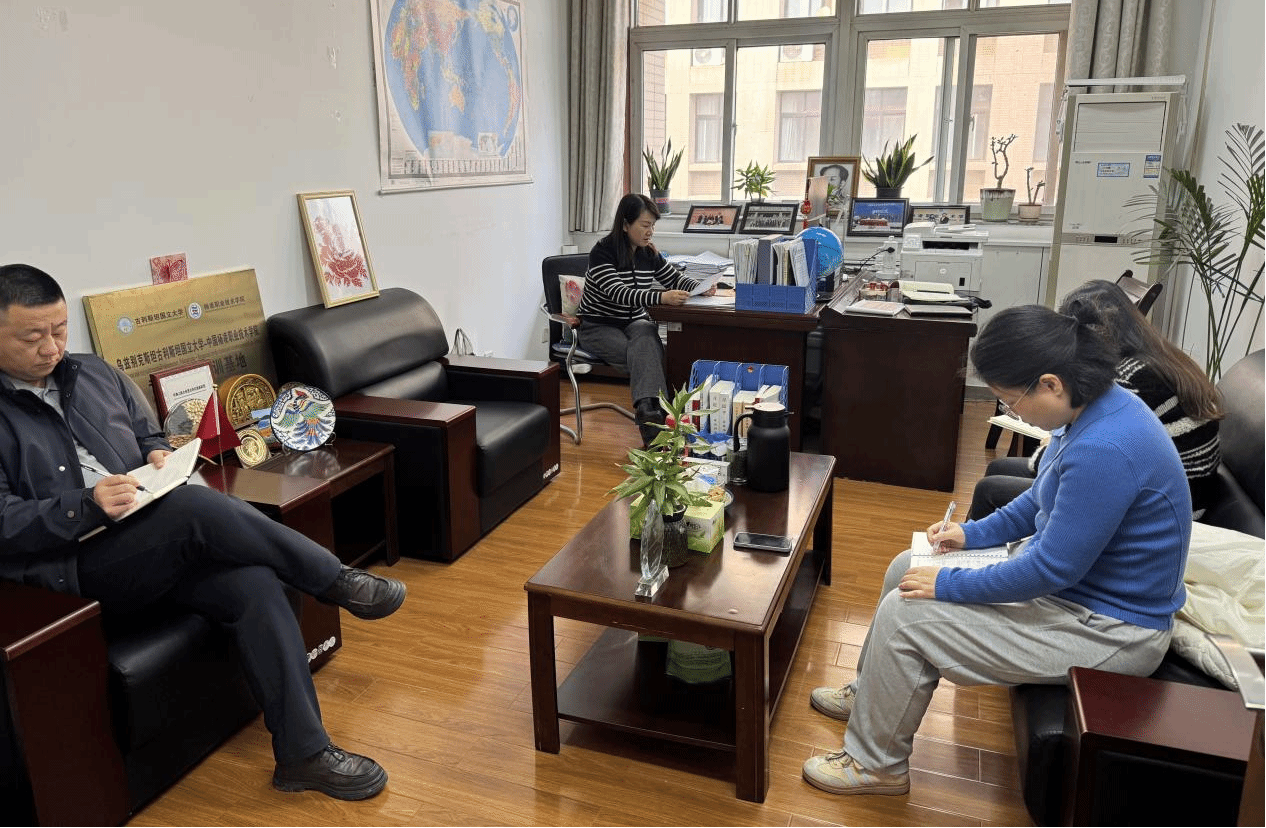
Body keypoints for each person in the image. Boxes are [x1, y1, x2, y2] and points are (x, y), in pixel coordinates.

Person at [0, 263, 407, 801]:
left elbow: (144, 432)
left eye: (58, 330)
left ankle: (303, 755)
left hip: (149, 538)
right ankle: (333, 579)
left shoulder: (93, 372)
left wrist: (156, 454)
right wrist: (84, 506)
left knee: (255, 582)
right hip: (75, 566)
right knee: (192, 508)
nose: (51, 348)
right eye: (32, 337)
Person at [802, 303, 1191, 797]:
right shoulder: (1090, 408)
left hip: (1112, 630)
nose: (1011, 412)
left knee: (907, 615)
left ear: (1050, 384)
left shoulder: (1106, 447)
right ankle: (871, 695)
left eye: (1010, 400)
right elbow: (1039, 498)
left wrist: (948, 584)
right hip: (1075, 598)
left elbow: (1049, 571)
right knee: (910, 564)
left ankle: (876, 765)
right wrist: (971, 534)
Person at [969, 279, 1222, 521]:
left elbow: (1082, 455)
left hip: (1162, 507)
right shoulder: (1153, 357)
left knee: (990, 490)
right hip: (1159, 487)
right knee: (999, 469)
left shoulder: (1129, 379)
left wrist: (1051, 445)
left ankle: (972, 547)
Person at [577, 193, 714, 446]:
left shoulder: (647, 253)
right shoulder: (602, 252)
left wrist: (700, 287)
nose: (650, 232)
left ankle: (651, 419)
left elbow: (673, 278)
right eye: (645, 225)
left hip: (635, 324)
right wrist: (661, 298)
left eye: (653, 225)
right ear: (625, 225)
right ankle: (656, 421)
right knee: (649, 356)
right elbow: (619, 293)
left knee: (646, 336)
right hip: (598, 325)